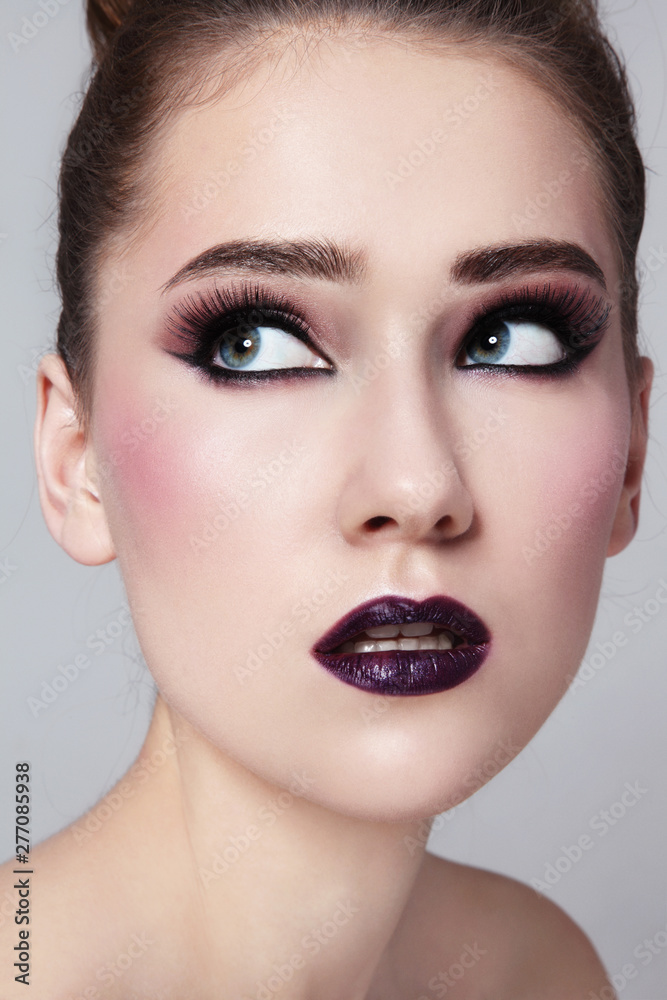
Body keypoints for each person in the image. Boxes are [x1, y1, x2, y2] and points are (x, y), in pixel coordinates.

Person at [0, 0, 655, 996]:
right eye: (254, 342)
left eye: (512, 337)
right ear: (73, 455)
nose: (416, 486)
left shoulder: (539, 973)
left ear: (632, 453)